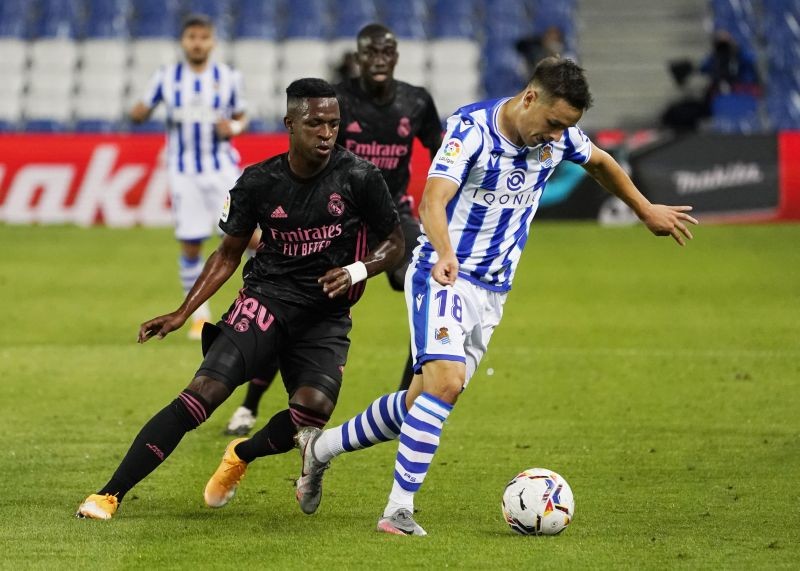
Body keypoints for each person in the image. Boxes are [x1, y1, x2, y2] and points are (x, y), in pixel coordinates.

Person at [290, 57, 699, 535]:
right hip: (444, 275)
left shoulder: (561, 136)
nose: (555, 135)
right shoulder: (470, 132)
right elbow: (433, 200)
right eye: (551, 123)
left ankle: (318, 450)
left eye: (564, 128)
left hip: (493, 291)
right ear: (529, 98)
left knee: (419, 401)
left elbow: (602, 162)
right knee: (445, 383)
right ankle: (398, 511)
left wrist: (645, 208)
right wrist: (444, 252)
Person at [76, 78, 404, 520]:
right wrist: (183, 312)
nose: (327, 133)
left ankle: (241, 454)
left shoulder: (360, 177)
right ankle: (108, 494)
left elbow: (396, 241)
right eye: (315, 124)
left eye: (333, 124)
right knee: (203, 393)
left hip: (325, 314)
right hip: (266, 299)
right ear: (290, 123)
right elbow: (228, 253)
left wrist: (357, 269)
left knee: (313, 413)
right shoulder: (258, 182)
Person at [224, 23, 443, 435]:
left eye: (387, 52)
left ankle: (405, 404)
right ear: (357, 57)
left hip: (390, 216)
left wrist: (441, 198)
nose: (379, 59)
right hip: (333, 220)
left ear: (396, 57)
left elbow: (441, 151)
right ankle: (249, 406)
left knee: (431, 284)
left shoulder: (416, 101)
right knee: (289, 303)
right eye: (370, 52)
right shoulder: (336, 100)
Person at [130, 14, 254, 340]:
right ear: (184, 42)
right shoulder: (166, 78)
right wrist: (139, 112)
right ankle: (199, 317)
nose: (197, 43)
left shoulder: (227, 77)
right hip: (184, 173)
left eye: (203, 37)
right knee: (191, 244)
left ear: (212, 41)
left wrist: (235, 127)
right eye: (192, 37)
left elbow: (242, 114)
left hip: (222, 171)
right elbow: (140, 111)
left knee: (252, 239)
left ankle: (260, 299)